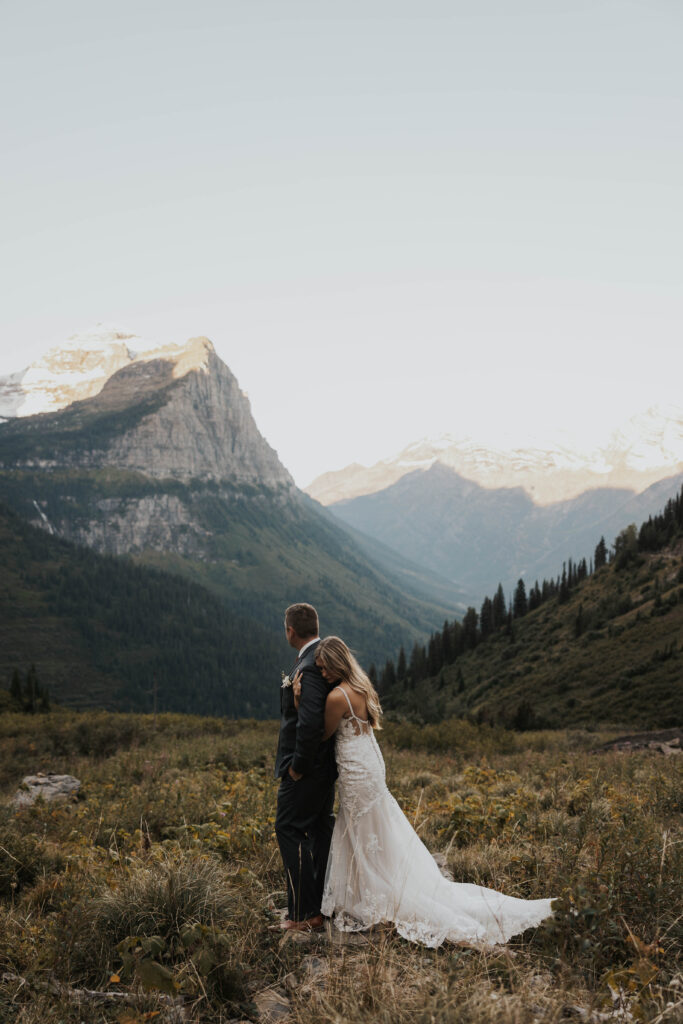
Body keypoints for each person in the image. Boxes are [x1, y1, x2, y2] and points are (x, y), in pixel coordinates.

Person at [293, 635, 554, 949]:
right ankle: (373, 885)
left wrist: (298, 702)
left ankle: (374, 894)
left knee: (360, 827)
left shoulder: (337, 696)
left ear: (336, 663)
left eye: (323, 668)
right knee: (371, 825)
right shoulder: (361, 687)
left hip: (356, 770)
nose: (321, 674)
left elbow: (321, 734)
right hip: (369, 764)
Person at [274, 604, 337, 932]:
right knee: (321, 830)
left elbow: (310, 724)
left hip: (307, 769)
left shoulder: (310, 666)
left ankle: (303, 913)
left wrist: (297, 767)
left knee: (288, 828)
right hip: (324, 769)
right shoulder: (318, 659)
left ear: (290, 631)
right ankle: (320, 906)